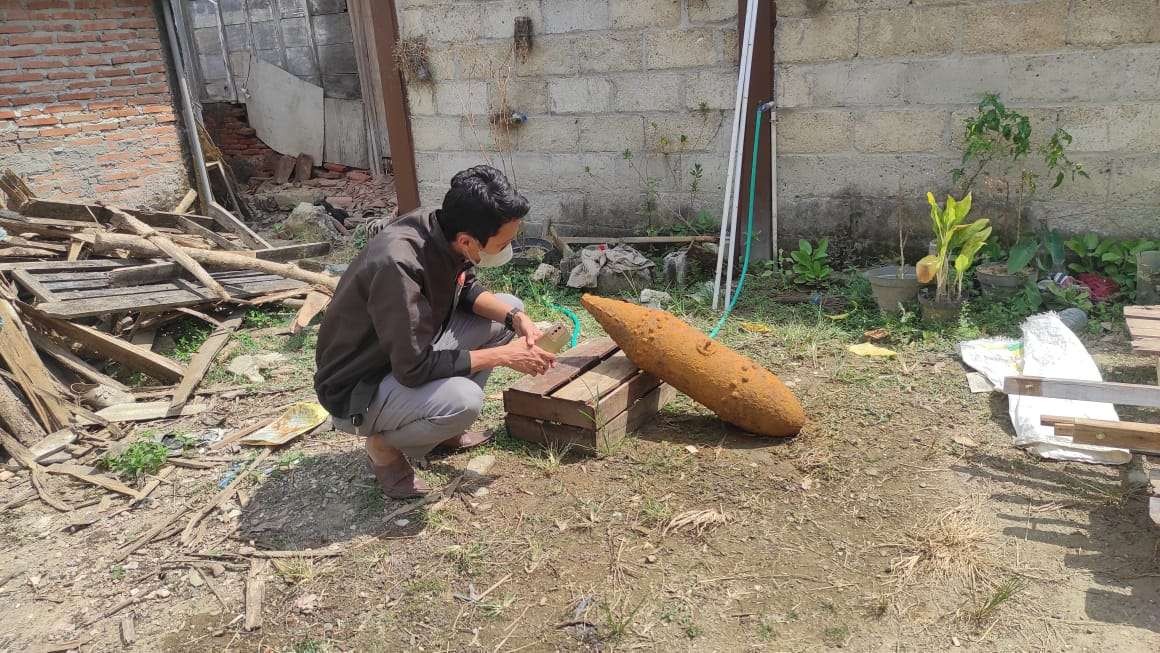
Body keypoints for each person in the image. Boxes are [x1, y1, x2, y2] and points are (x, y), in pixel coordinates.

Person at [314, 165, 556, 498]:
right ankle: (383, 447)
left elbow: (464, 287)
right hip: (360, 386)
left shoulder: (443, 227)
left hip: (404, 352)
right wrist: (503, 356)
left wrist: (516, 318)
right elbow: (414, 369)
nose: (506, 249)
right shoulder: (397, 266)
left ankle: (438, 432)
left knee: (505, 305)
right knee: (464, 401)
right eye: (503, 243)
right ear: (468, 241)